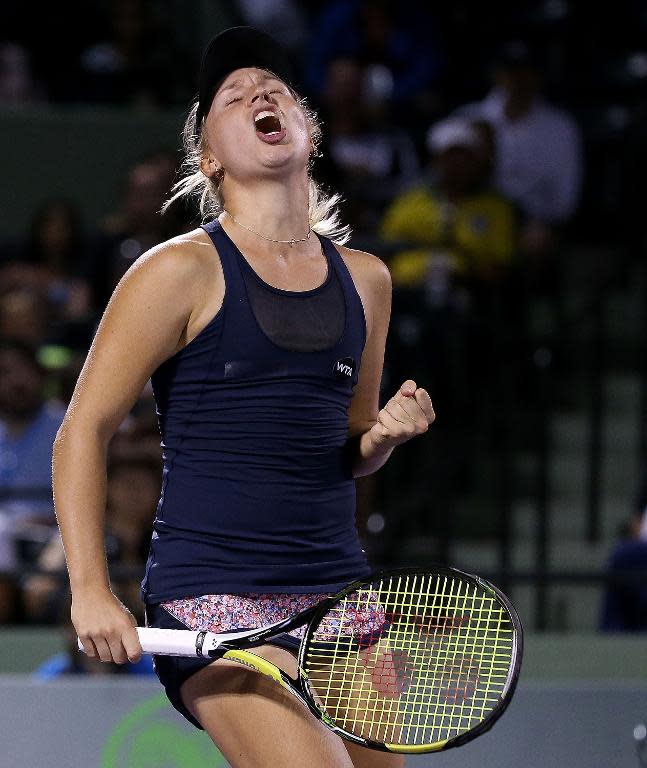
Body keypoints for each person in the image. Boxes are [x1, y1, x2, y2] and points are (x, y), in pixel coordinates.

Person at [52, 26, 434, 768]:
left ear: (306, 132)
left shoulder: (367, 281)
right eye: (235, 94)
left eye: (276, 89)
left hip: (335, 598)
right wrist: (91, 590)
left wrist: (381, 438)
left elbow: (347, 451)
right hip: (211, 602)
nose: (260, 92)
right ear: (210, 157)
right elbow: (83, 429)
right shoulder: (177, 272)